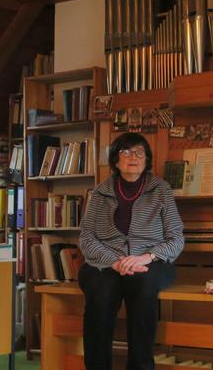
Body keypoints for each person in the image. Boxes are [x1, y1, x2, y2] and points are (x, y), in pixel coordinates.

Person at [78, 132, 184, 370]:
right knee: (101, 291)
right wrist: (114, 262)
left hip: (151, 260)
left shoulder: (161, 190)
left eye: (139, 152)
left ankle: (141, 366)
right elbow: (86, 237)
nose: (132, 157)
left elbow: (176, 237)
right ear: (116, 160)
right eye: (125, 152)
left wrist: (146, 257)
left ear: (147, 159)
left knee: (143, 284)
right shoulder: (100, 192)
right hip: (105, 262)